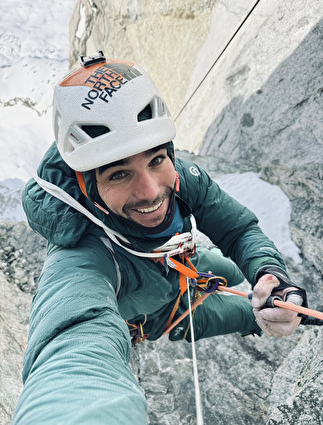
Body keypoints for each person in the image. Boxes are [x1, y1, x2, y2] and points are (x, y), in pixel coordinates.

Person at [13, 52, 307, 424]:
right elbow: (71, 345)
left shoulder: (183, 177)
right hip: (168, 315)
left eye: (156, 160)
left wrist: (269, 273)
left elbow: (237, 230)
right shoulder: (82, 256)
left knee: (233, 271)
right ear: (89, 188)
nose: (151, 192)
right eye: (119, 175)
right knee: (249, 310)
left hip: (185, 264)